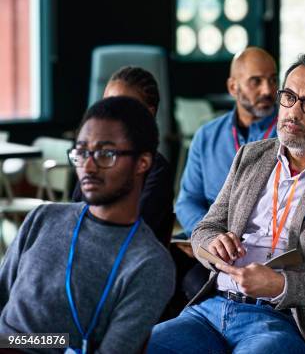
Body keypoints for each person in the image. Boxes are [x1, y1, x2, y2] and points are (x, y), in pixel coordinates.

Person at [147, 54, 305, 354]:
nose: (293, 112)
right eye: (289, 97)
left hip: (283, 318)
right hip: (213, 308)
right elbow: (206, 227)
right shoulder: (251, 156)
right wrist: (214, 243)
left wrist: (280, 285)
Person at [0, 97, 175, 353]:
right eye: (82, 152)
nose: (88, 166)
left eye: (106, 154)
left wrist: (15, 344)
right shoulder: (43, 217)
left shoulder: (149, 264)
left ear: (142, 162)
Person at [176, 46, 279, 235]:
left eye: (273, 80)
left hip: (268, 245)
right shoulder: (207, 136)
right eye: (256, 81)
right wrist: (209, 236)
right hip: (213, 243)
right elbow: (188, 201)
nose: (268, 89)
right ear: (233, 87)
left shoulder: (291, 135)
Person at [73, 66, 174, 245]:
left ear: (148, 113)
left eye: (121, 106)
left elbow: (131, 234)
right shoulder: (93, 161)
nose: (109, 114)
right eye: (106, 104)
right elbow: (75, 214)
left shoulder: (156, 170)